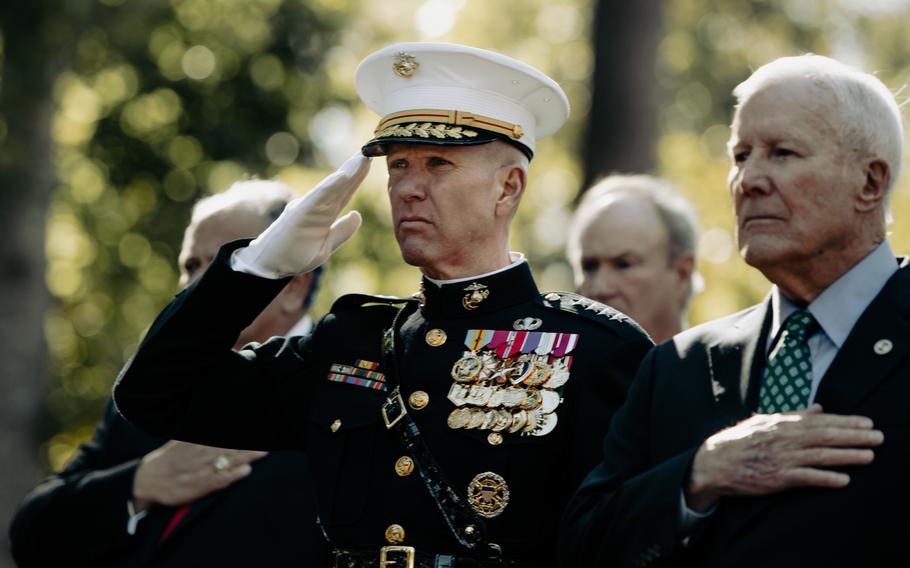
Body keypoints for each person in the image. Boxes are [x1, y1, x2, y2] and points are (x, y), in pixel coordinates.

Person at [112, 43, 652, 567]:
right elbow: (154, 394)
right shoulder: (350, 341)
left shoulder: (594, 349)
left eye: (438, 164)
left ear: (507, 188)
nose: (409, 188)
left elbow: (624, 540)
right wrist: (256, 269)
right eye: (398, 166)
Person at [559, 54, 908, 567]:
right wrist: (698, 475)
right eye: (741, 155)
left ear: (870, 183)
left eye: (782, 153)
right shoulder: (676, 367)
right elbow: (582, 549)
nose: (749, 180)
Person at [9, 180, 328, 567]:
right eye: (191, 266)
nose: (199, 283)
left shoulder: (338, 391)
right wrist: (141, 483)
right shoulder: (144, 394)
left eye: (227, 262)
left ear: (294, 286)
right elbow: (31, 534)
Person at [567, 175, 698, 343]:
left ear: (682, 274)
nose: (600, 288)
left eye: (623, 264)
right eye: (589, 267)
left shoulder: (727, 368)